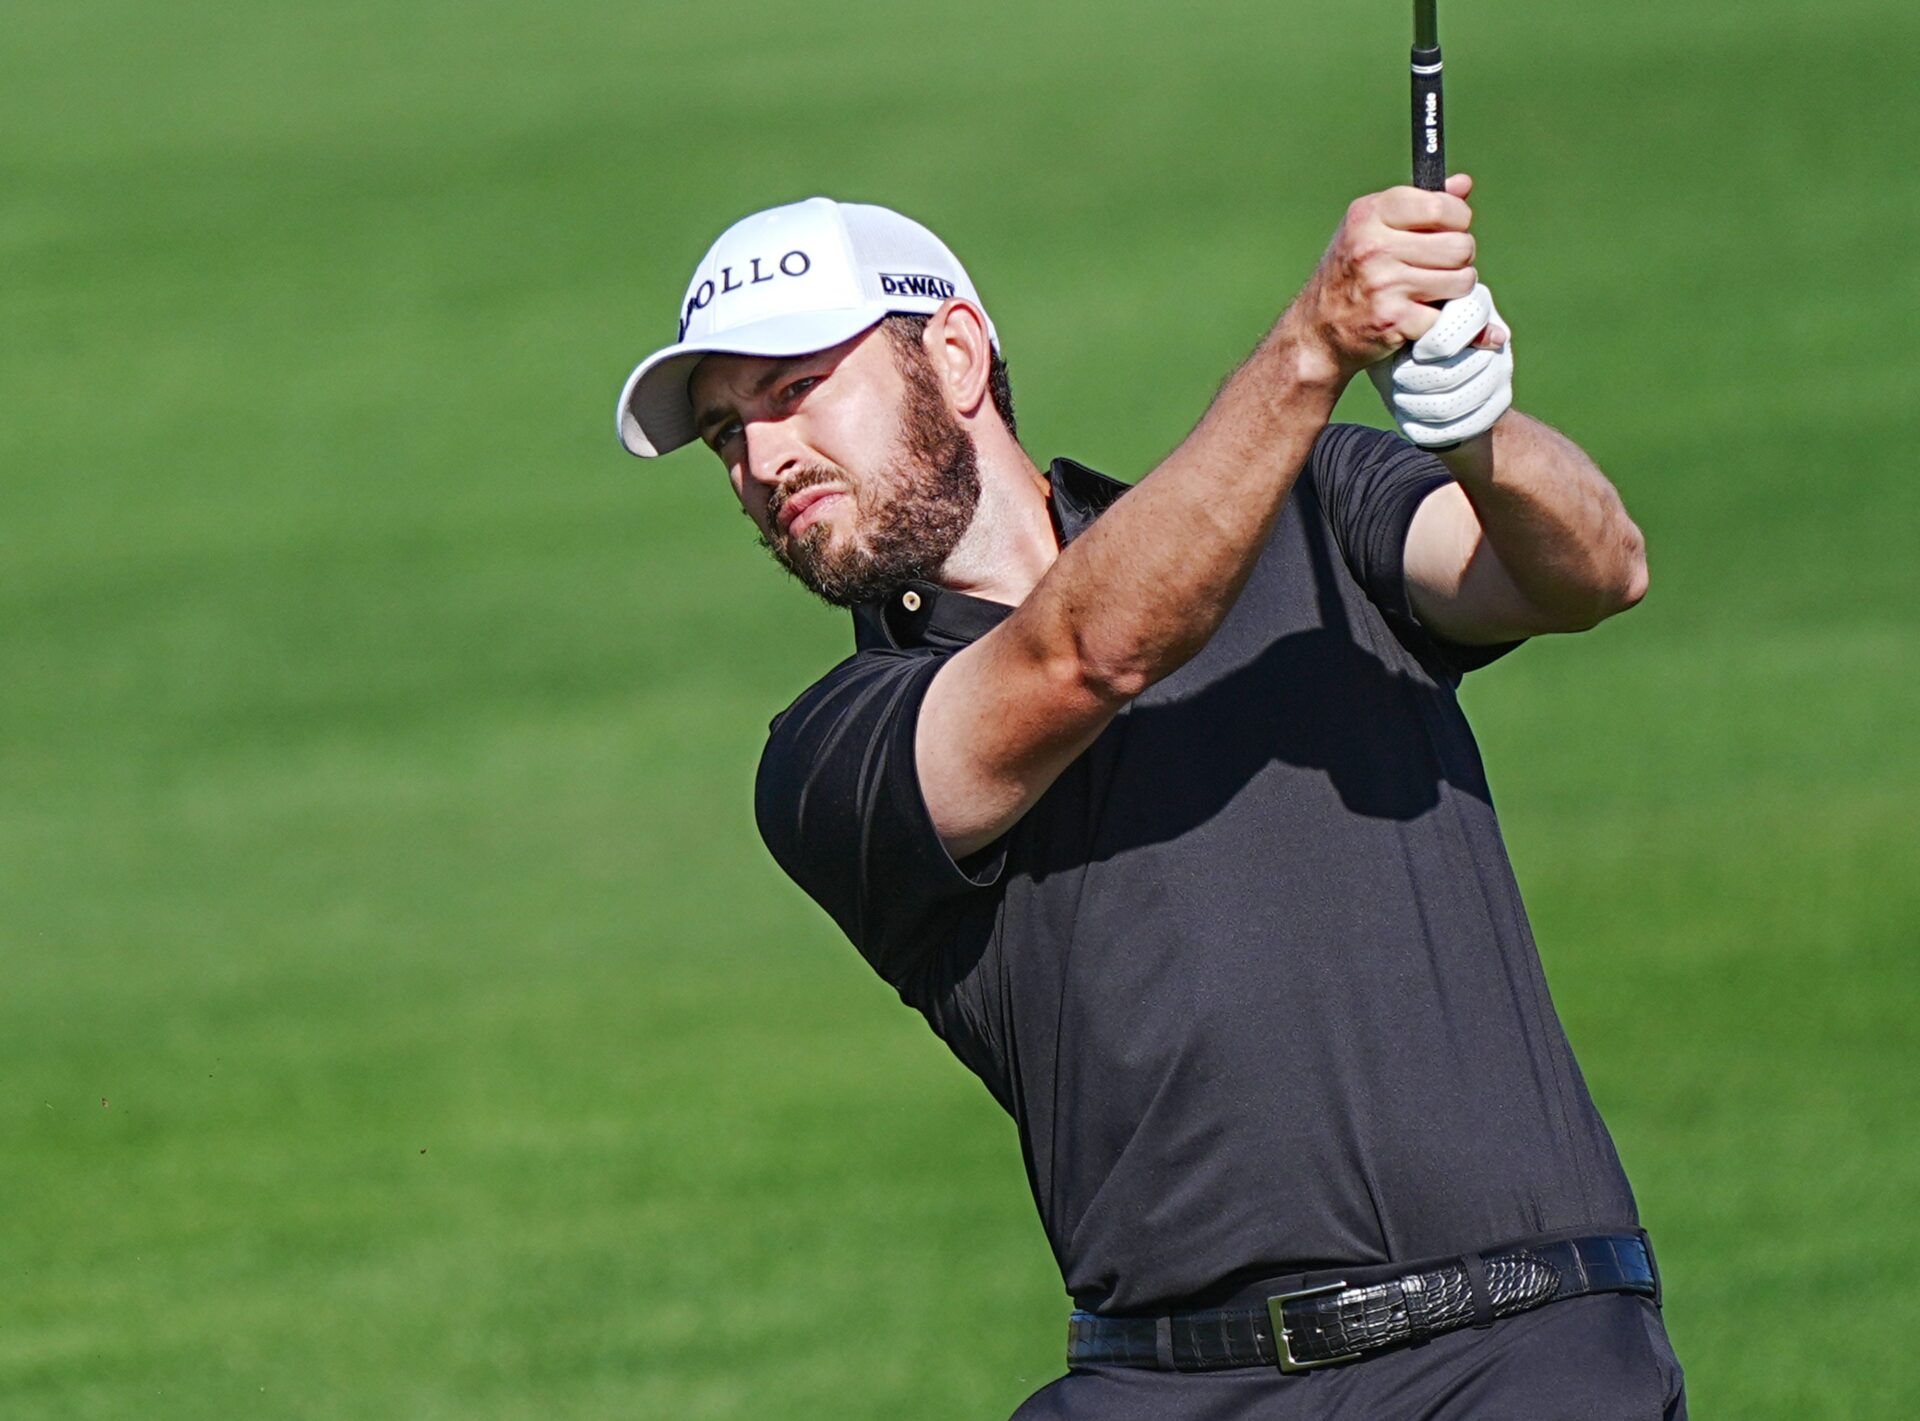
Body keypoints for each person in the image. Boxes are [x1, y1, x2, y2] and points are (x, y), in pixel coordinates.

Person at [613, 186, 1686, 1419]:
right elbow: (1083, 655)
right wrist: (1313, 345)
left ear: (955, 355)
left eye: (793, 389)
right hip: (1175, 1385)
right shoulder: (831, 759)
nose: (761, 458)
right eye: (723, 435)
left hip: (1519, 1350)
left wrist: (1483, 436)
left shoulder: (1318, 507)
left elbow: (1596, 568)